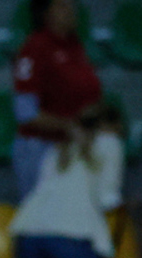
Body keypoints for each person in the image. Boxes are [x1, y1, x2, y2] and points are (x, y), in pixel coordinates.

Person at [13, 102, 126, 258]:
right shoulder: (111, 143)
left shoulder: (60, 147)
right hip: (72, 238)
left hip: (28, 236)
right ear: (114, 125)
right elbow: (107, 199)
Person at [13, 0, 105, 195]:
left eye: (71, 5)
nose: (71, 11)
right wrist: (69, 125)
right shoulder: (35, 48)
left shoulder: (75, 46)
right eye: (62, 6)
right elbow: (26, 113)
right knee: (42, 217)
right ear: (46, 14)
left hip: (76, 145)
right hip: (42, 148)